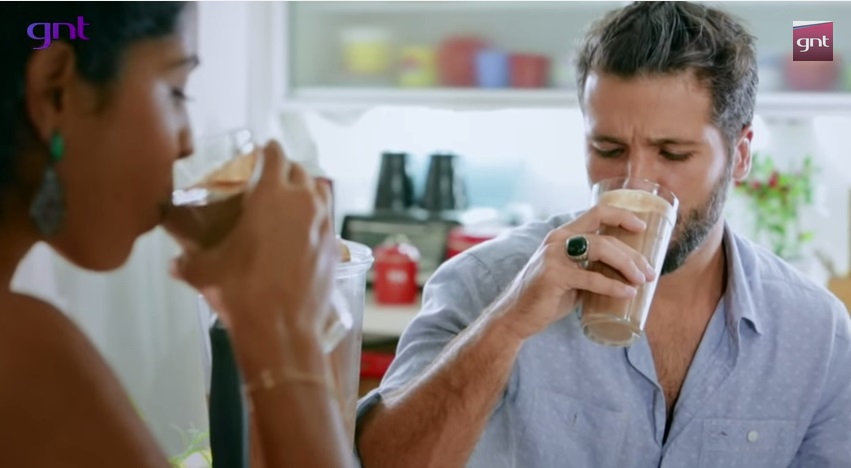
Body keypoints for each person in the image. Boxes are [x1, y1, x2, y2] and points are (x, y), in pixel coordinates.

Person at [355, 2, 851, 467]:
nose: (637, 183)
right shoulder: (486, 281)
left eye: (673, 154)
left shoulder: (815, 332)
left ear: (740, 155)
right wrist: (507, 324)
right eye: (609, 149)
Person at [0, 3, 354, 467]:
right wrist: (285, 332)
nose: (186, 141)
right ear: (56, 91)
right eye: (176, 90)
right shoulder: (23, 356)